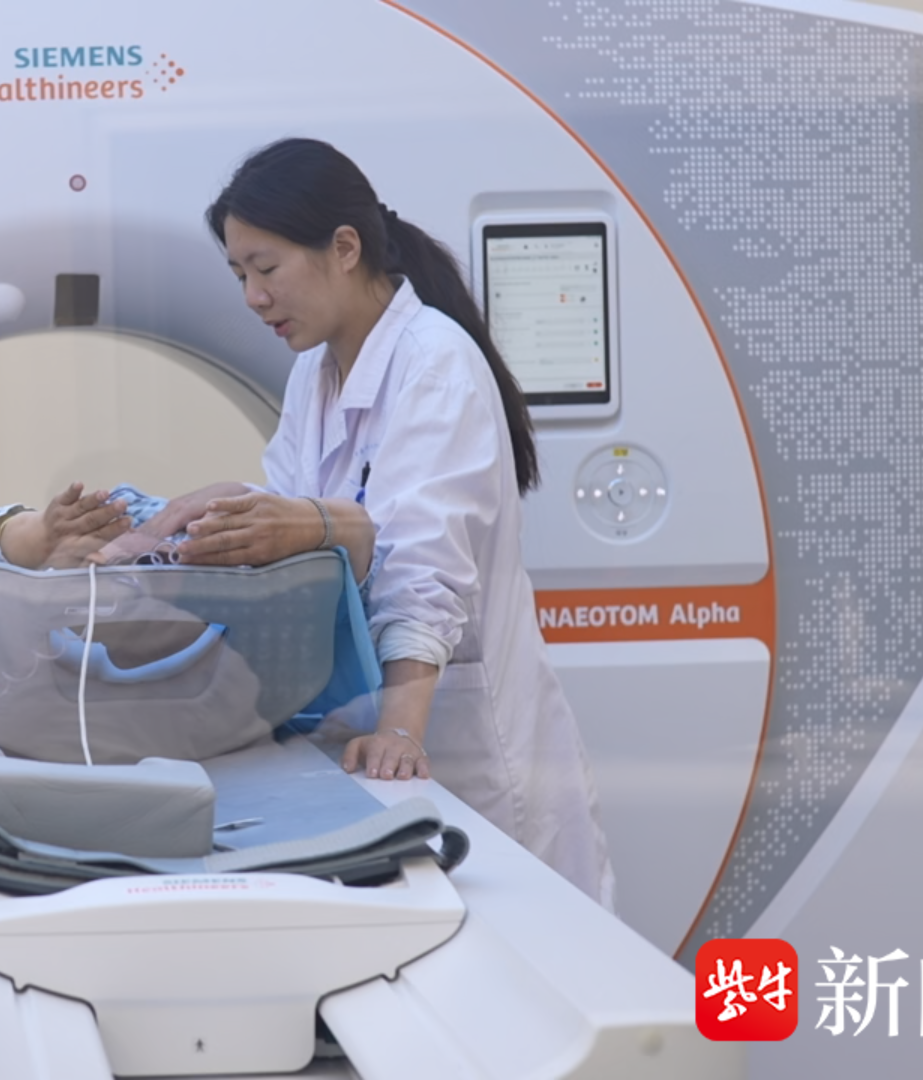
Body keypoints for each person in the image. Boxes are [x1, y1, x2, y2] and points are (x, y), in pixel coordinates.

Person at [165, 138, 614, 904]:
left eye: (266, 268)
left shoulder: (434, 361)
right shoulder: (316, 371)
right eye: (239, 275)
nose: (253, 298)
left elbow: (421, 564)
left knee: (509, 943)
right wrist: (217, 519)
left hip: (459, 742)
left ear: (344, 248)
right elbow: (298, 521)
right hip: (368, 735)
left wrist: (401, 728)